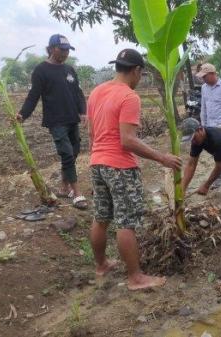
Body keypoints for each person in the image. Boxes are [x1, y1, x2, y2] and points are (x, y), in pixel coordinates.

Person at [87, 49, 182, 290]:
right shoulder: (129, 97)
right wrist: (162, 158)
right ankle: (135, 277)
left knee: (101, 216)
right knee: (126, 222)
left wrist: (98, 157)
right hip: (119, 165)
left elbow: (91, 133)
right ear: (137, 70)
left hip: (97, 162)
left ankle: (101, 265)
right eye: (142, 74)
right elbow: (127, 140)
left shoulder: (97, 92)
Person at [17, 34, 88, 209]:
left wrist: (83, 112)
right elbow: (33, 96)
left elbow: (78, 93)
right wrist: (22, 114)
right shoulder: (41, 70)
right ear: (51, 49)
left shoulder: (70, 70)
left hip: (72, 118)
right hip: (56, 121)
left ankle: (64, 187)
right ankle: (77, 193)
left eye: (67, 50)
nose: (65, 53)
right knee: (67, 153)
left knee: (74, 151)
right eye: (62, 50)